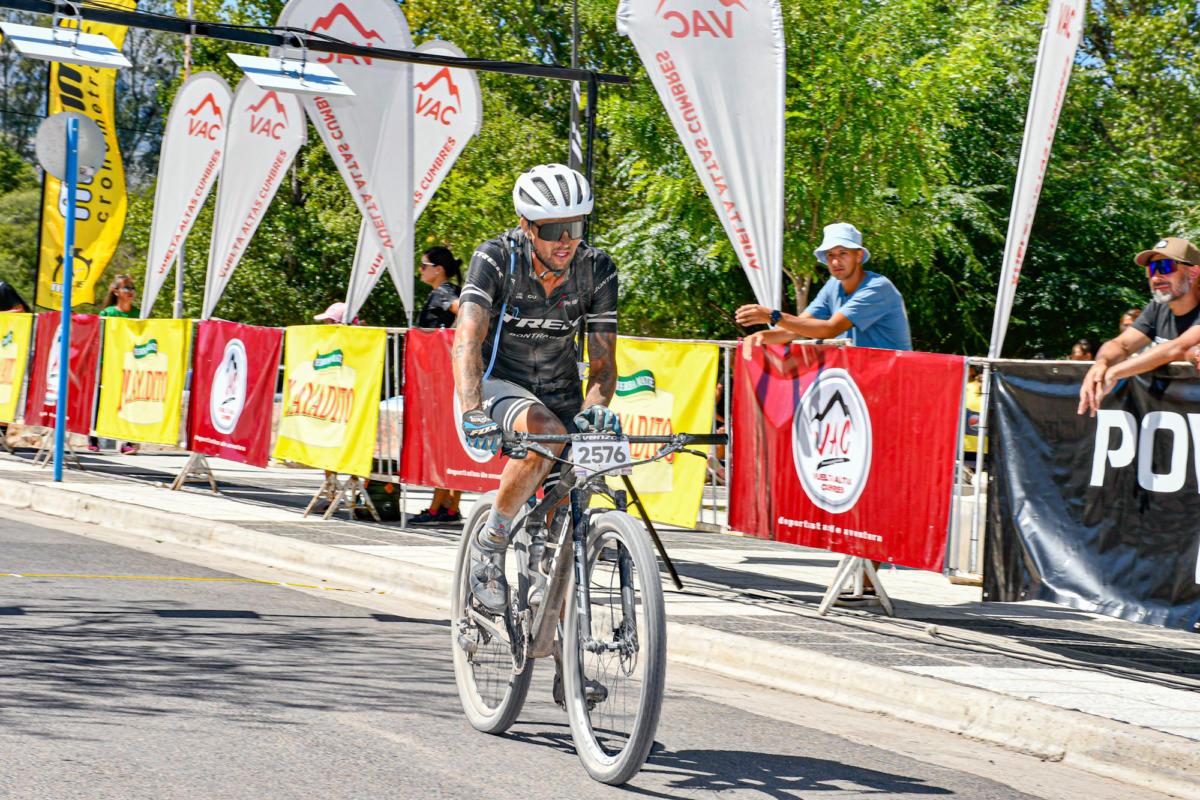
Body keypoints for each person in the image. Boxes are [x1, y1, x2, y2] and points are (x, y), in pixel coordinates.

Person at [452, 163, 619, 614]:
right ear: (526, 226)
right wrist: (472, 409)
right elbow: (467, 339)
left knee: (581, 478)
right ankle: (491, 543)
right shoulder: (495, 259)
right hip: (497, 383)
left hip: (560, 390)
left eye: (575, 227)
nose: (565, 240)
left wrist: (595, 407)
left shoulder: (597, 269)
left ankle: (544, 566)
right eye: (551, 229)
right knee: (546, 433)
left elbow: (603, 365)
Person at [734, 222, 912, 351]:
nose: (835, 261)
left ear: (858, 256)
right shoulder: (833, 285)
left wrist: (772, 316)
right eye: (830, 255)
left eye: (843, 253)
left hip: (894, 382)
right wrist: (760, 337)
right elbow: (793, 330)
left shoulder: (877, 288)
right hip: (860, 381)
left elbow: (829, 329)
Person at [1078, 237, 1200, 416]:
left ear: (1193, 272)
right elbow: (1121, 344)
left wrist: (1114, 372)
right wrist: (1101, 364)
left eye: (1165, 267)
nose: (1156, 276)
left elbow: (1178, 348)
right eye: (1151, 269)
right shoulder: (1157, 307)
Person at [410, 246, 465, 526]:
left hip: (440, 377)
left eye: (423, 265)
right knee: (450, 442)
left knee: (442, 444)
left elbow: (463, 311)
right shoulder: (449, 290)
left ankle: (436, 509)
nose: (420, 270)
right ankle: (450, 506)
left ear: (438, 269)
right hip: (445, 376)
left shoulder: (443, 292)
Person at [91, 275, 140, 453]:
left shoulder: (138, 314)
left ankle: (128, 443)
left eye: (132, 287)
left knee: (129, 402)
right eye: (126, 287)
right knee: (101, 400)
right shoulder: (108, 313)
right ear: (116, 291)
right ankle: (93, 438)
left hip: (129, 364)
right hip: (108, 362)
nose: (131, 291)